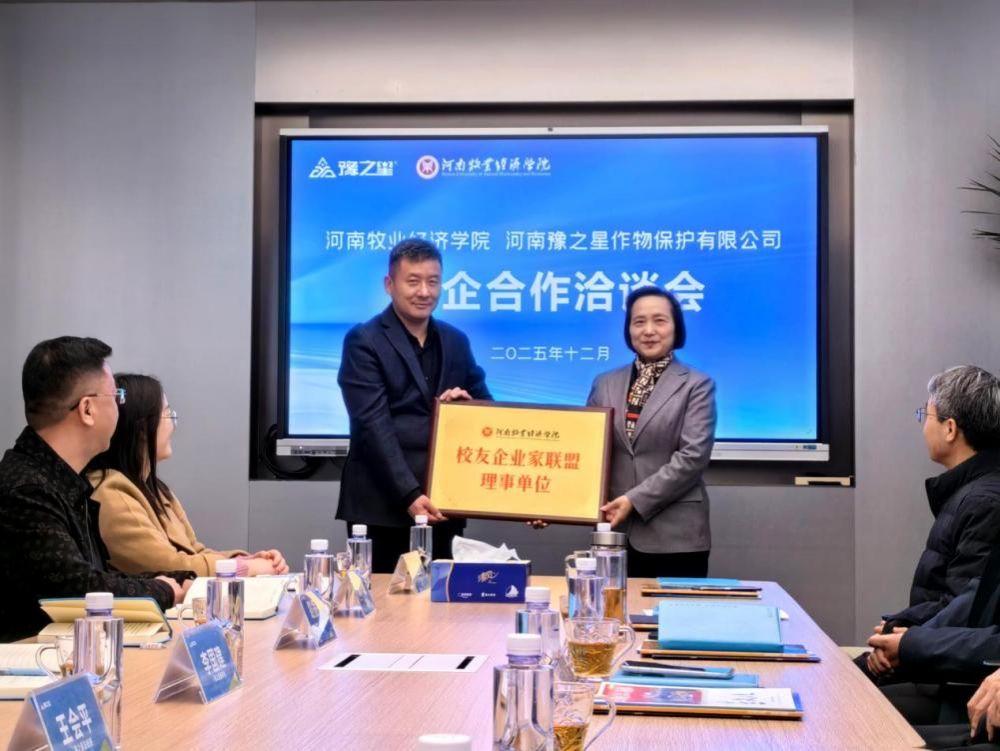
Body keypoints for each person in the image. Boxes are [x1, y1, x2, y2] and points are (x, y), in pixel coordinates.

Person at [0, 337, 191, 642]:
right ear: (87, 409)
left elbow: (99, 576)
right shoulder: (26, 490)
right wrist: (163, 589)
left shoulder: (62, 479)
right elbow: (79, 588)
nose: (120, 406)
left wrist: (175, 579)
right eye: (116, 396)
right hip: (33, 664)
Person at [336, 238, 492, 572]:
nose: (424, 291)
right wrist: (409, 494)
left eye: (433, 282)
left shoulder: (456, 340)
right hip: (382, 506)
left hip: (443, 502)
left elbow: (488, 408)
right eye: (413, 281)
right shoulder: (364, 341)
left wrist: (469, 408)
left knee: (443, 597)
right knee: (383, 599)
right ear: (389, 285)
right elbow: (372, 425)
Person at [859, 365, 1000, 679]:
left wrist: (904, 641)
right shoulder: (969, 492)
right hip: (929, 649)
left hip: (946, 671)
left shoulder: (984, 501)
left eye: (926, 414)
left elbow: (967, 610)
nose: (923, 425)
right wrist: (901, 628)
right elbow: (947, 600)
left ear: (950, 429)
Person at [87, 373, 288, 577]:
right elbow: (169, 566)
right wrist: (246, 568)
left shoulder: (156, 489)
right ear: (141, 429)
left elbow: (194, 551)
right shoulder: (112, 494)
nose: (173, 425)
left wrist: (245, 560)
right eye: (168, 415)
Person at [586, 287, 716, 578]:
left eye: (659, 320)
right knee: (611, 608)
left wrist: (634, 500)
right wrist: (551, 504)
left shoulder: (697, 384)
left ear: (676, 327)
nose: (648, 331)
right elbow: (588, 453)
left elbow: (693, 457)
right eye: (639, 322)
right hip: (614, 534)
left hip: (676, 537)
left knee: (673, 610)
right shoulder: (604, 383)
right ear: (628, 329)